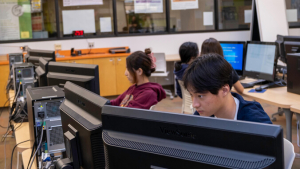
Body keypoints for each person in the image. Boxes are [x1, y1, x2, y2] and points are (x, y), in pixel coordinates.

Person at [183, 53, 272, 124]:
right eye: (191, 95)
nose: (194, 104)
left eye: (200, 96)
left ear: (224, 90)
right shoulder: (200, 117)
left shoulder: (255, 121)